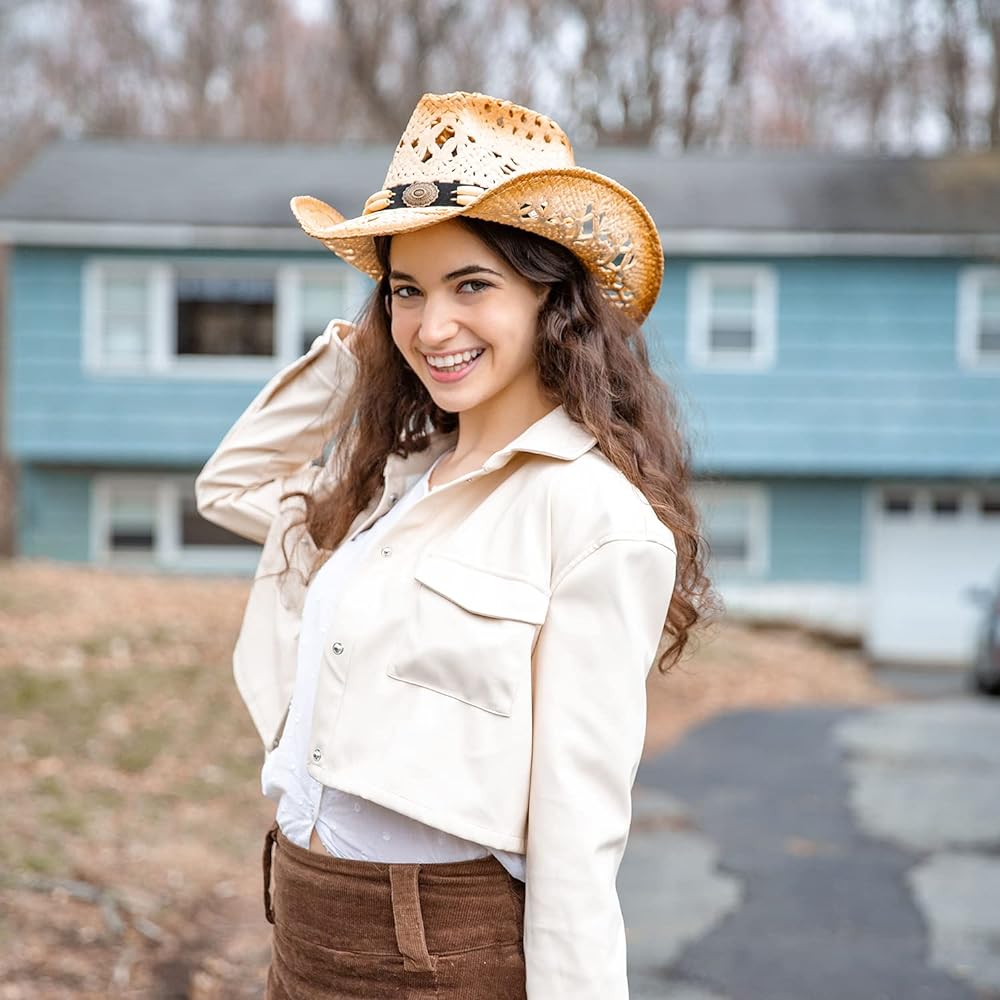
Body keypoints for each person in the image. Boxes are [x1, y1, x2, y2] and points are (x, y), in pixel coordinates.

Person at [195, 90, 714, 1000]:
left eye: (472, 284)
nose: (434, 328)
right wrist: (361, 354)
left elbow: (578, 829)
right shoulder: (391, 488)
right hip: (302, 918)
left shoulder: (594, 517)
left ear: (555, 301)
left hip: (436, 953)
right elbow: (230, 486)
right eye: (407, 289)